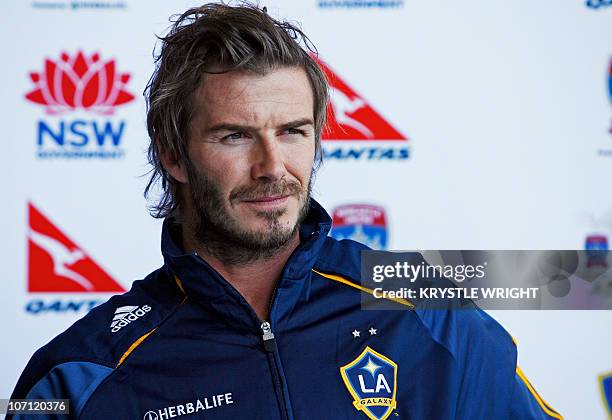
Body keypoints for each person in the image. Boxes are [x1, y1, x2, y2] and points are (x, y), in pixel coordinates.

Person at [9, 3, 563, 419]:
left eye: (292, 132)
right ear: (173, 154)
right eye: (234, 136)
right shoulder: (80, 376)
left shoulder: (428, 313)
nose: (272, 166)